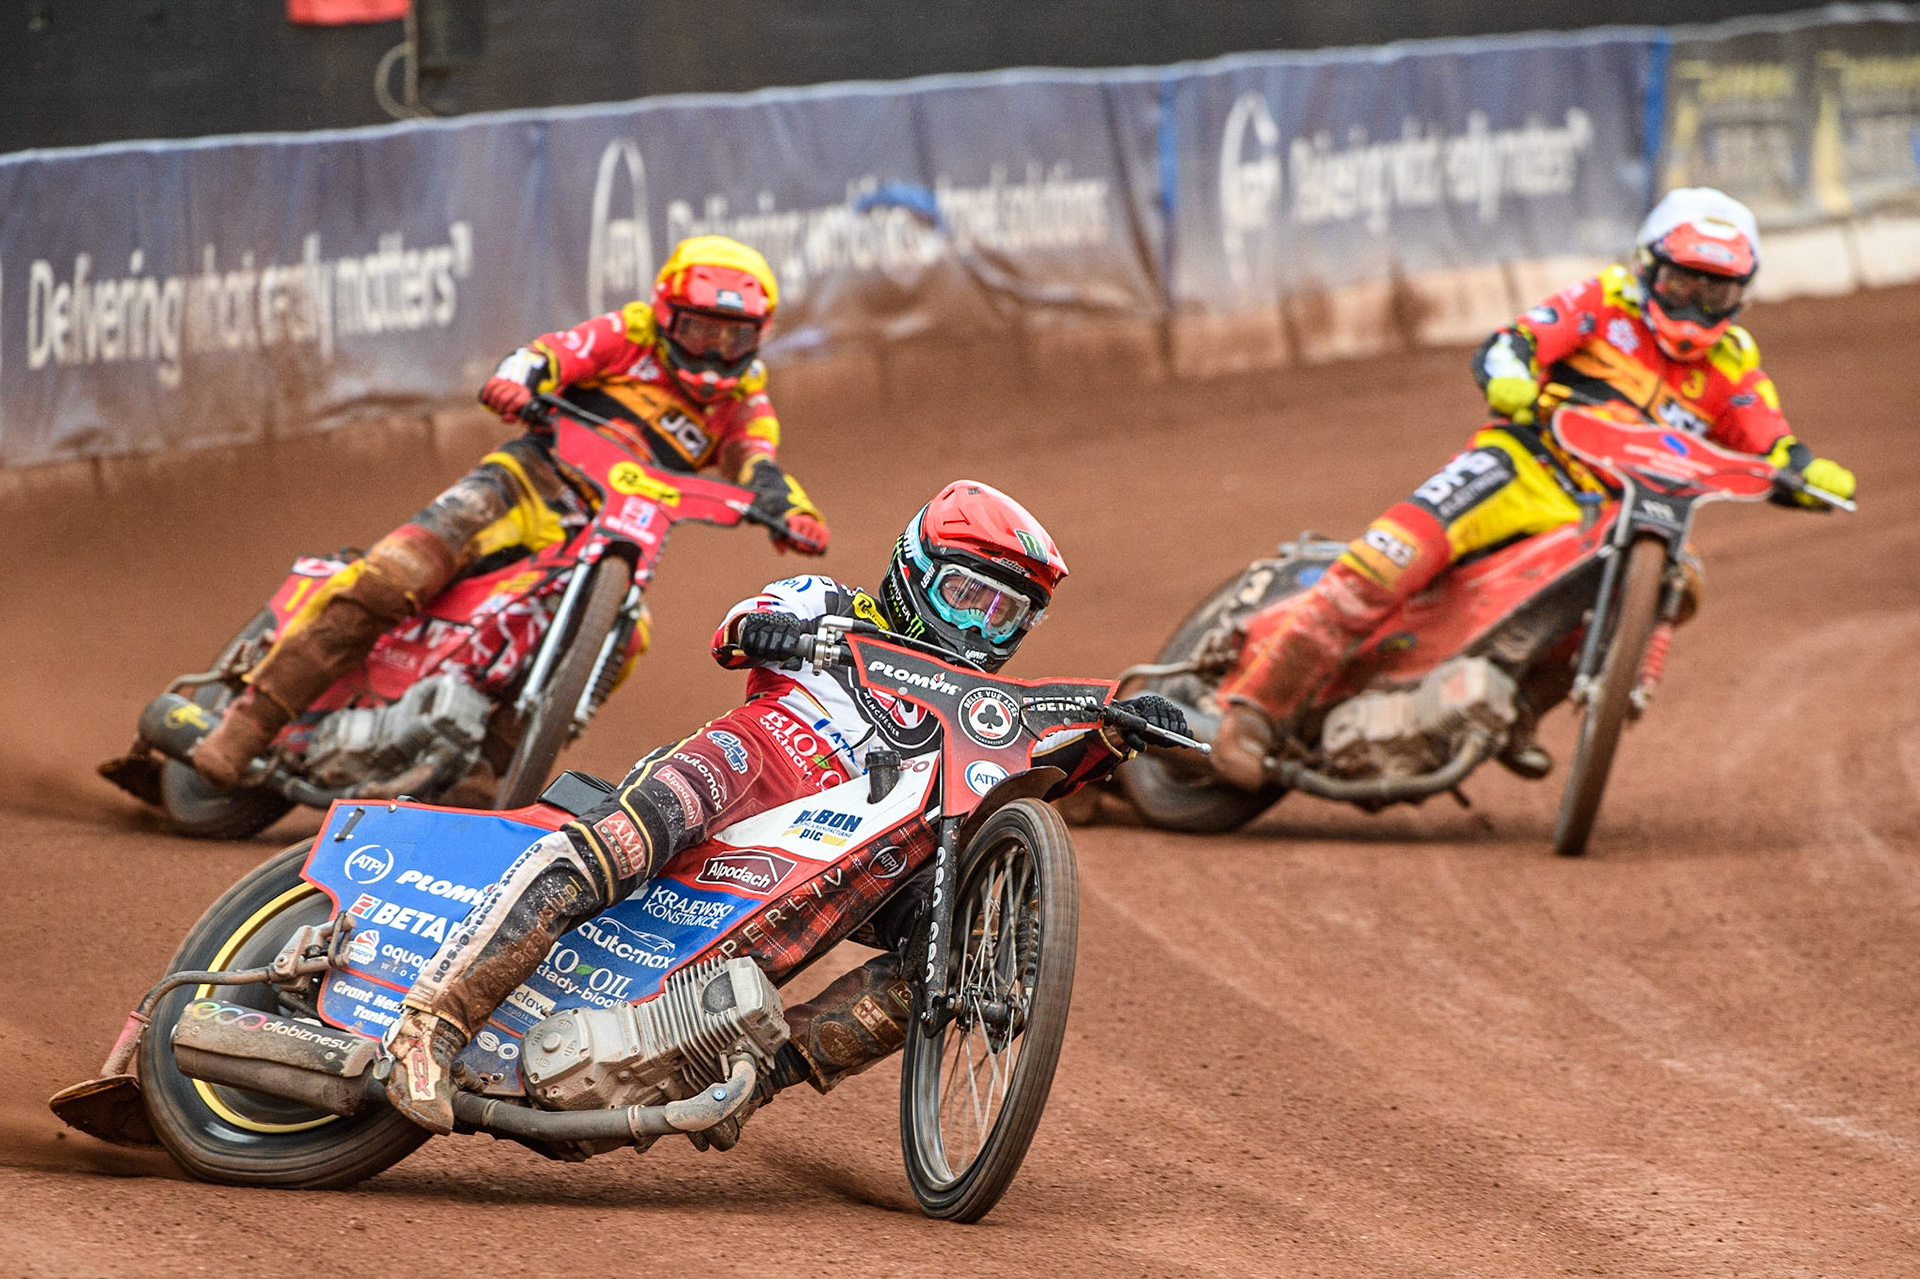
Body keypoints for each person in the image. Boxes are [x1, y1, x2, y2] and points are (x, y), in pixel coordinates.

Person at [379, 479, 1187, 1134]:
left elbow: (1045, 765)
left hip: (835, 856)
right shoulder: (832, 602)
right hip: (752, 759)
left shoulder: (984, 714)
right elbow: (738, 627)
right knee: (625, 838)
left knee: (957, 952)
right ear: (914, 570)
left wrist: (1123, 729)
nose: (978, 626)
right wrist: (776, 633)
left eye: (1004, 613)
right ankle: (432, 1024)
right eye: (966, 595)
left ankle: (756, 1070)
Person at [1208, 188, 1858, 790]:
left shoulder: (1731, 362)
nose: (1692, 305)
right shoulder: (1602, 302)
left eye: (1713, 293)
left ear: (1740, 295)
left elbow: (1770, 438)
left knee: (1677, 585)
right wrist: (1513, 374)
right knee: (1388, 559)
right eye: (1681, 282)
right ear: (1647, 268)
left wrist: (1804, 472)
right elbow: (1513, 342)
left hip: (1611, 512)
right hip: (1521, 466)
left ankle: (1517, 708)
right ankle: (1254, 710)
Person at [189, 235, 830, 792]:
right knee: (396, 575)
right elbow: (550, 354)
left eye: (733, 337)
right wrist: (516, 380)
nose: (716, 352)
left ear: (758, 337)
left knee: (626, 640)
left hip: (602, 538)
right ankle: (247, 725)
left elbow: (758, 463)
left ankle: (486, 775)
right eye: (700, 331)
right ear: (666, 317)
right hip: (521, 486)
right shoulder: (628, 334)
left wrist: (791, 511)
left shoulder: (744, 399)